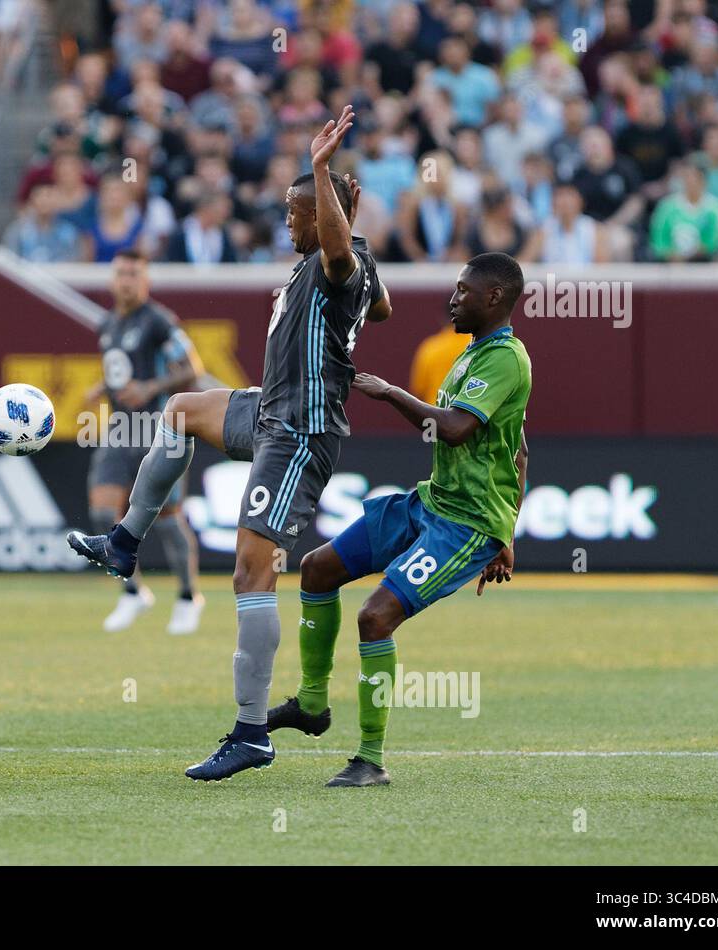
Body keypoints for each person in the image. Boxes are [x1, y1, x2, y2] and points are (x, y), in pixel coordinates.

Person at [67, 106, 392, 781]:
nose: (286, 221)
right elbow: (381, 307)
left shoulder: (337, 265)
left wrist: (324, 171)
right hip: (268, 410)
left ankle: (251, 735)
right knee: (182, 409)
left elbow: (342, 259)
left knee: (252, 571)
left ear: (320, 214)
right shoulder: (350, 262)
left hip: (299, 431)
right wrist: (346, 226)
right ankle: (126, 542)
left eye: (294, 213)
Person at [268, 252, 530, 788]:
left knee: (374, 616)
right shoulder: (471, 353)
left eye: (462, 290)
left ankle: (370, 759)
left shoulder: (506, 358)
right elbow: (519, 447)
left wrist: (390, 394)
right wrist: (514, 528)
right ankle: (313, 703)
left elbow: (455, 429)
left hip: (466, 523)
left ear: (494, 298)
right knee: (317, 569)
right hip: (429, 503)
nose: (453, 298)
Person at [84, 249, 206, 634]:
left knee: (168, 519)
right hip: (121, 427)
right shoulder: (108, 325)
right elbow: (124, 374)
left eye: (134, 274)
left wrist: (150, 387)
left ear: (146, 280)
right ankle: (133, 591)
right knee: (103, 511)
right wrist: (103, 387)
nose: (126, 280)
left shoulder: (158, 321)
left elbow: (193, 369)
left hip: (159, 427)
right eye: (120, 273)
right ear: (111, 279)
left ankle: (188, 597)